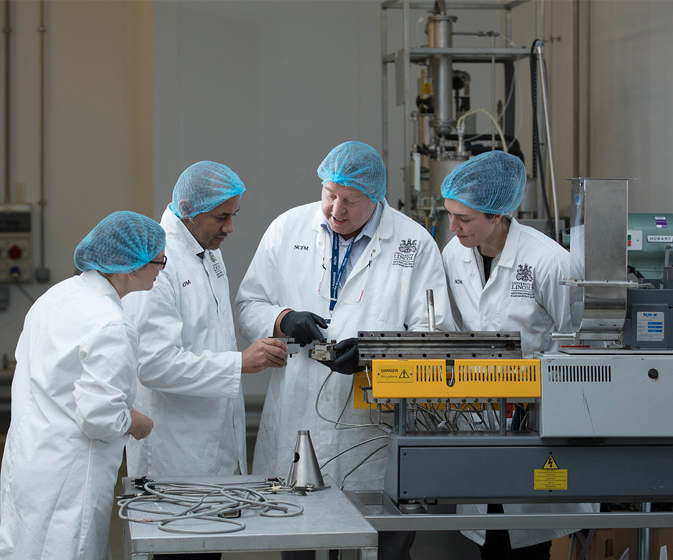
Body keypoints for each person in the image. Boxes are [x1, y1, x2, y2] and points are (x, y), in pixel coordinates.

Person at [235, 140, 454, 560]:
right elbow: (248, 304)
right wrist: (283, 319)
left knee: (383, 540)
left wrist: (374, 353)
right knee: (296, 535)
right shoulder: (287, 229)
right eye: (329, 195)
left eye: (351, 201)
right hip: (298, 409)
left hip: (373, 421)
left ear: (376, 198)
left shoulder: (413, 243)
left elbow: (434, 333)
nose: (337, 210)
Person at [122, 161, 289, 560]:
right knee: (180, 551)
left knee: (208, 550)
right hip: (173, 453)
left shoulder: (207, 253)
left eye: (233, 215)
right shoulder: (157, 263)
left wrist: (248, 356)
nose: (230, 227)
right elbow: (154, 364)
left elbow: (206, 337)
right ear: (187, 209)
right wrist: (239, 364)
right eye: (221, 217)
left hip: (212, 447)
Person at [440, 150, 598, 560]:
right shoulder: (454, 253)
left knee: (525, 543)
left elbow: (577, 345)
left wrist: (530, 381)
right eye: (449, 214)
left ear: (497, 215)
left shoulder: (550, 262)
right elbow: (452, 328)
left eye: (464, 218)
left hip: (534, 419)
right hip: (476, 416)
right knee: (487, 536)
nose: (453, 226)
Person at [0, 211, 164, 559]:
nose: (162, 270)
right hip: (69, 477)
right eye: (160, 262)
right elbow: (99, 418)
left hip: (29, 458)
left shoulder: (56, 297)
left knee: (24, 548)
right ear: (132, 267)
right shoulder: (112, 325)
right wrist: (136, 422)